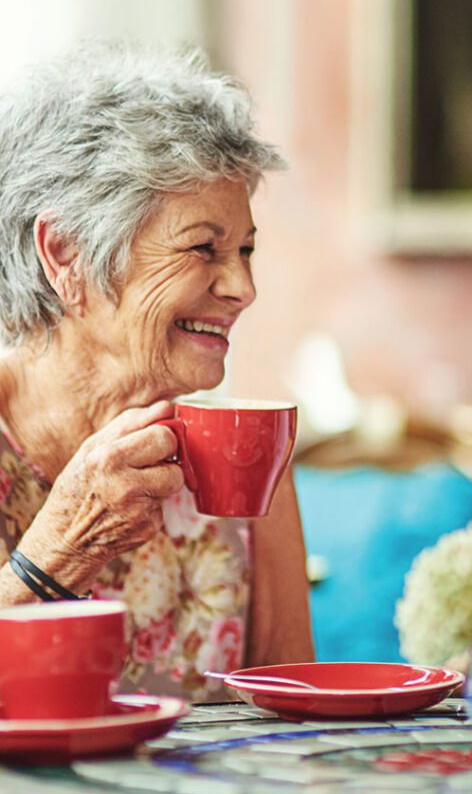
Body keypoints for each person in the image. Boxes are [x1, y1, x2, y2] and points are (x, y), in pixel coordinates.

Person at [0, 41, 313, 700]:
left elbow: (294, 719)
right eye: (205, 248)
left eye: (246, 250)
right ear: (66, 253)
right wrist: (52, 555)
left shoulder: (245, 454)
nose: (242, 288)